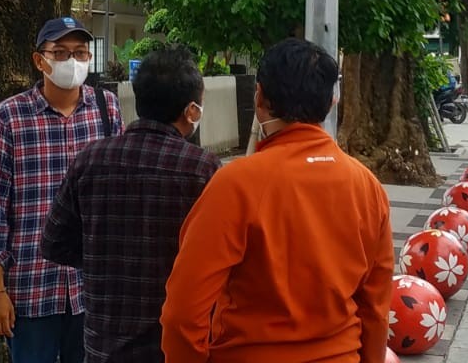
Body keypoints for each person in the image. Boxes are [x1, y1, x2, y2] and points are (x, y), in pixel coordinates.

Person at [160, 38, 394, 363]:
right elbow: (376, 307)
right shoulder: (367, 186)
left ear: (259, 97)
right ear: (332, 101)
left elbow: (184, 312)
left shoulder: (237, 183)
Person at [40, 45, 222, 362]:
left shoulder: (89, 160)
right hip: (171, 348)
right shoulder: (203, 170)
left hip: (102, 348)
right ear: (191, 110)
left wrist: (103, 255)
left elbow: (53, 244)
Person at [0, 17, 124, 362]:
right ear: (39, 60)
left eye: (80, 52)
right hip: (31, 288)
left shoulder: (106, 110)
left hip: (92, 289)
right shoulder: (9, 117)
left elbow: (117, 195)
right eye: (59, 52)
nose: (71, 61)